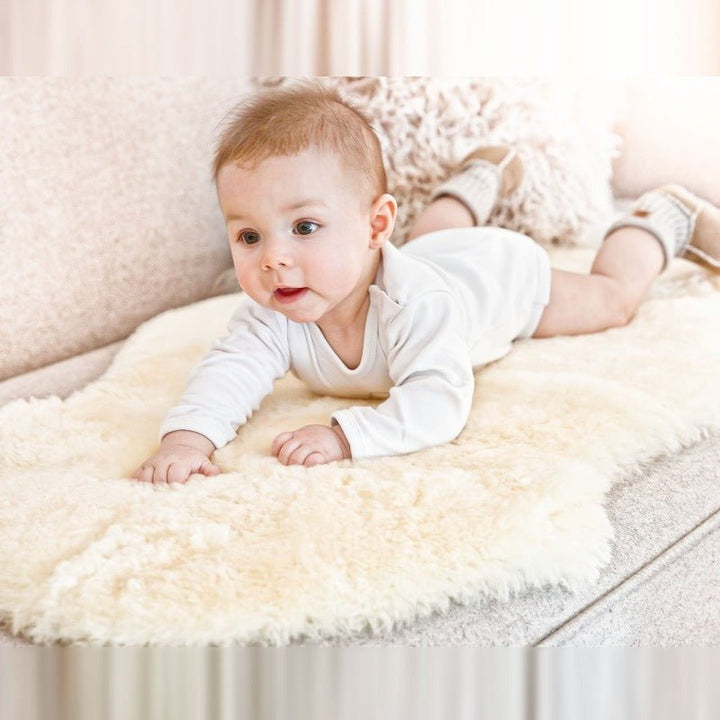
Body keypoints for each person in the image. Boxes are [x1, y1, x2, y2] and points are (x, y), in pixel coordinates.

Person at [132, 81, 720, 485]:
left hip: (493, 279)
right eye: (250, 236)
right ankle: (479, 174)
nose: (273, 259)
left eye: (304, 227)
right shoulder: (275, 310)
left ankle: (666, 217)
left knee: (609, 301)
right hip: (431, 252)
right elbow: (228, 372)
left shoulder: (418, 306)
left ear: (374, 226)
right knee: (431, 240)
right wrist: (187, 439)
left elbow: (439, 401)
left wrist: (346, 435)